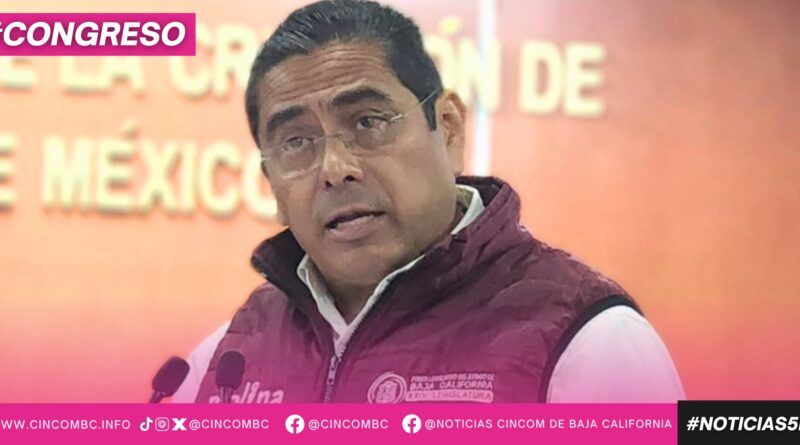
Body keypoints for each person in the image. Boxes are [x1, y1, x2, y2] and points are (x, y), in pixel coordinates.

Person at [173, 0, 683, 403]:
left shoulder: (587, 341)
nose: (334, 168)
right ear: (271, 183)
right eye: (297, 142)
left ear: (449, 129)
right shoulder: (223, 361)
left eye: (368, 122)